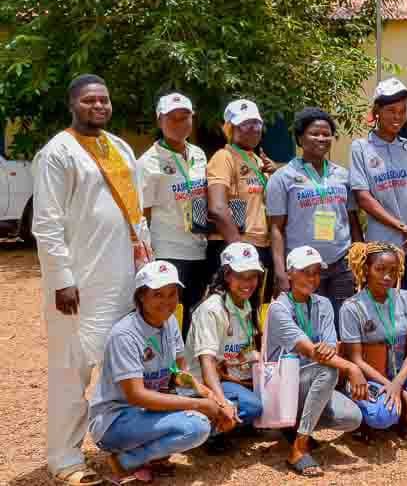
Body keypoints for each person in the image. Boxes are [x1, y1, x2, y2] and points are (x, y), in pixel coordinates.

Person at [33, 74, 152, 486]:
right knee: (72, 370)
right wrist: (62, 279)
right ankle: (65, 460)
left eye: (104, 100)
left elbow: (137, 215)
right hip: (79, 286)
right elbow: (46, 223)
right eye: (89, 101)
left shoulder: (119, 147)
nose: (98, 106)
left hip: (124, 280)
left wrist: (146, 269)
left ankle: (123, 450)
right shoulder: (58, 153)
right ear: (72, 104)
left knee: (122, 367)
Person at [88, 261, 229, 483]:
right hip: (116, 419)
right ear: (141, 297)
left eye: (172, 293)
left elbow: (179, 372)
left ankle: (152, 457)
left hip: (148, 411)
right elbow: (137, 395)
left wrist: (209, 396)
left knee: (215, 411)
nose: (167, 301)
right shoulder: (125, 335)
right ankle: (127, 460)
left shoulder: (170, 321)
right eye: (157, 294)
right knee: (197, 425)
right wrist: (198, 404)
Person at [265, 245, 365, 478]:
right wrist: (351, 366)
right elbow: (312, 351)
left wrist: (325, 353)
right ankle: (299, 447)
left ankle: (295, 426)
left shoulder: (324, 304)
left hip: (309, 382)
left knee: (352, 418)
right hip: (281, 386)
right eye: (305, 271)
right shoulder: (279, 308)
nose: (312, 278)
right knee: (327, 371)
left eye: (316, 272)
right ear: (289, 273)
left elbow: (330, 348)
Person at [340, 241, 407, 436]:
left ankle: (403, 409)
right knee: (383, 416)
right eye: (380, 269)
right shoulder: (352, 307)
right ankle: (368, 418)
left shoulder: (406, 298)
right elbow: (355, 359)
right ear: (365, 269)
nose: (387, 277)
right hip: (370, 376)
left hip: (401, 374)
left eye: (393, 270)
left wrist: (397, 384)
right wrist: (390, 385)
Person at [268, 107, 362, 325]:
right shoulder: (283, 178)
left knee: (344, 323)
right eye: (314, 133)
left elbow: (353, 220)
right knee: (309, 326)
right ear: (300, 138)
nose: (322, 138)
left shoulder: (343, 175)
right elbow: (276, 228)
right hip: (303, 267)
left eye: (326, 134)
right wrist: (281, 272)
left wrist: (359, 260)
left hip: (341, 264)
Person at [349, 78, 407, 313]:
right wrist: (401, 227)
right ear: (377, 111)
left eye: (403, 111)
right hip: (383, 248)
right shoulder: (361, 148)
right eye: (390, 111)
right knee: (383, 312)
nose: (397, 117)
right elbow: (363, 197)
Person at [139, 92, 209, 338]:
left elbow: (199, 197)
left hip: (198, 248)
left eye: (184, 117)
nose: (179, 123)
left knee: (194, 311)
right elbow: (142, 214)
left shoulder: (199, 154)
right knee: (169, 315)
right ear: (160, 121)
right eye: (172, 118)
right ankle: (167, 371)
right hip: (169, 250)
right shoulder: (148, 162)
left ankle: (187, 369)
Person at [186, 242, 267, 453]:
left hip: (233, 376)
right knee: (254, 406)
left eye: (253, 276)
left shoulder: (249, 305)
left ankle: (235, 421)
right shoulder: (212, 309)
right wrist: (221, 402)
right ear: (227, 275)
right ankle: (210, 432)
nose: (248, 283)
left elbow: (243, 350)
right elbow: (207, 364)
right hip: (205, 383)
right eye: (241, 276)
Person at [207, 99, 276, 299]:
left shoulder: (258, 160)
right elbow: (218, 209)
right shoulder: (223, 157)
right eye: (245, 124)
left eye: (257, 123)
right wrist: (240, 251)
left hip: (261, 245)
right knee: (229, 313)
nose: (253, 129)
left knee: (254, 315)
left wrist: (275, 175)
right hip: (235, 245)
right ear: (230, 128)